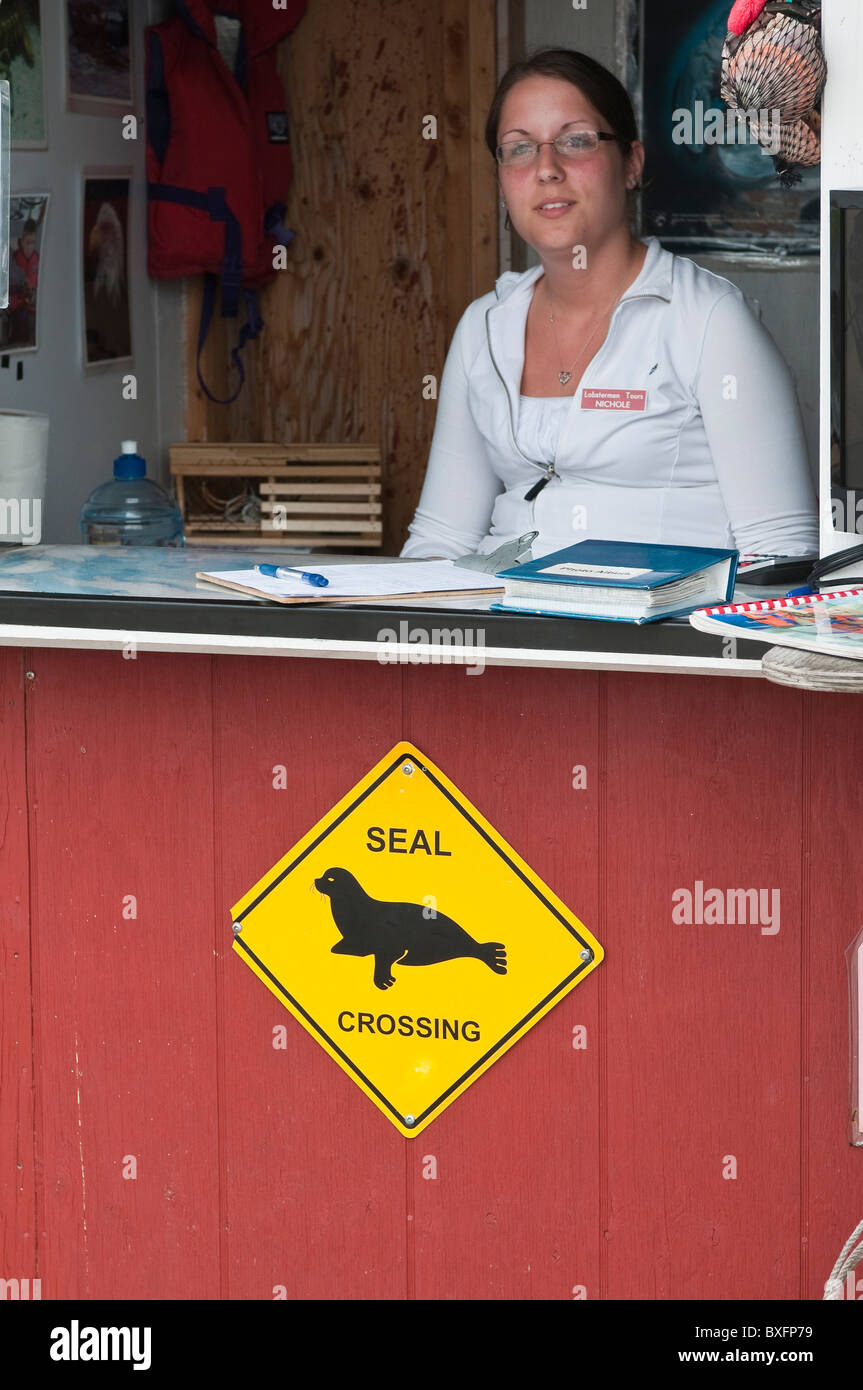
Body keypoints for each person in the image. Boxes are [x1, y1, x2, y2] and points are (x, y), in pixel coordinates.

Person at [400, 48, 820, 563]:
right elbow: (442, 541)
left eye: (576, 141)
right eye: (520, 148)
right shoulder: (485, 325)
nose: (547, 169)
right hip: (507, 628)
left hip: (657, 638)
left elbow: (781, 552)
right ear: (502, 181)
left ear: (631, 164)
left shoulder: (709, 320)